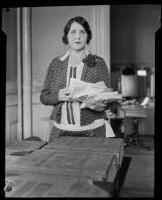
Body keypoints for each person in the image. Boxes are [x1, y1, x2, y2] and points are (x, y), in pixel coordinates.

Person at [40, 16, 114, 142]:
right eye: (73, 32)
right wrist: (58, 96)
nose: (78, 36)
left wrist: (97, 104)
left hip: (93, 130)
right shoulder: (56, 64)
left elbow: (107, 102)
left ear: (87, 36)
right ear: (67, 36)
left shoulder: (98, 63)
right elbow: (44, 97)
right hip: (61, 130)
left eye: (82, 32)